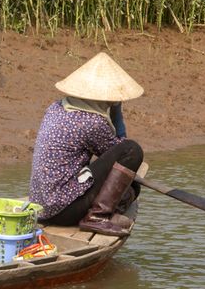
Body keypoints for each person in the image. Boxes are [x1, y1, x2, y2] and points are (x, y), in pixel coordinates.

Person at [28, 52, 144, 236]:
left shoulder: (56, 107)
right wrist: (117, 111)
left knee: (130, 187)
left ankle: (100, 212)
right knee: (133, 151)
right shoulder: (93, 122)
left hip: (40, 206)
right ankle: (97, 217)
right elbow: (122, 153)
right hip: (62, 210)